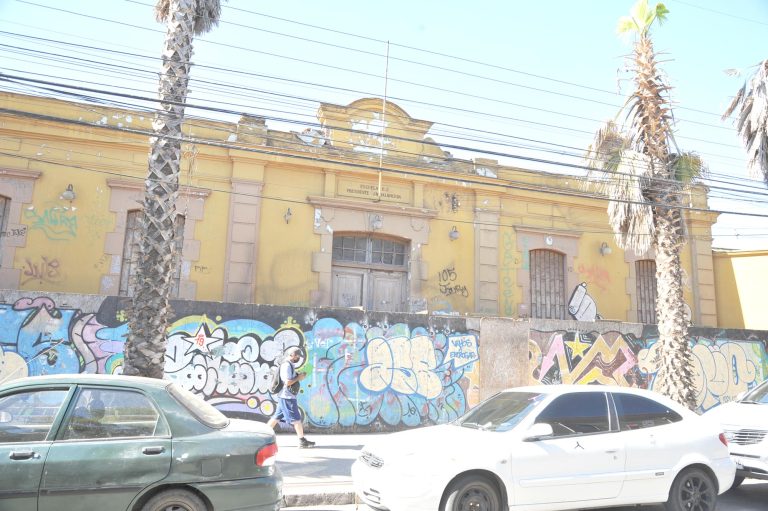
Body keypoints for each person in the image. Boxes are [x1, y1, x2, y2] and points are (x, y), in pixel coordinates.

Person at [266, 346, 315, 448]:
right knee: (296, 419)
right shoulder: (286, 366)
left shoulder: (290, 365)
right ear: (292, 355)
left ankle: (261, 437)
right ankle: (302, 441)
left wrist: (299, 376)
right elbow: (287, 382)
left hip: (286, 396)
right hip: (287, 397)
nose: (298, 358)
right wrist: (298, 377)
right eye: (297, 356)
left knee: (276, 417)